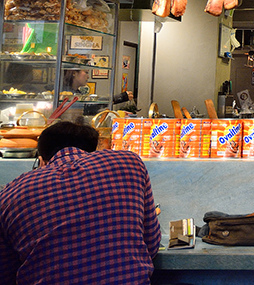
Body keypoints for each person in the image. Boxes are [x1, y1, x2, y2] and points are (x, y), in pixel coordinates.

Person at [0, 120, 161, 285]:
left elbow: (6, 274)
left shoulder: (10, 195)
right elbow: (152, 244)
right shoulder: (129, 163)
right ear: (94, 151)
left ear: (41, 161)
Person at [62, 69, 135, 112]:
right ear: (74, 73)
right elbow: (86, 107)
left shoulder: (77, 92)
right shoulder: (65, 92)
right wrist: (119, 97)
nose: (88, 76)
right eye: (86, 72)